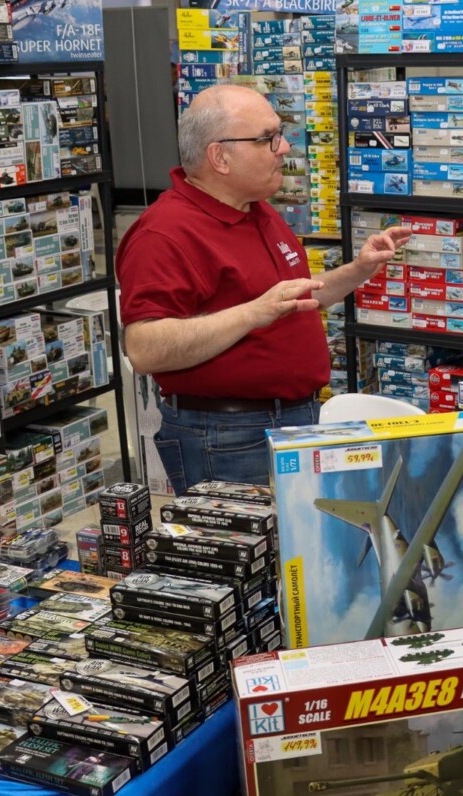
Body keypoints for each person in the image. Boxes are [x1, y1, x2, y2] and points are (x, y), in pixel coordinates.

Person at [116, 84, 411, 495]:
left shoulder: (255, 208)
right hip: (228, 437)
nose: (285, 147)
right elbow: (144, 349)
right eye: (267, 138)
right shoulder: (163, 234)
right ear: (219, 156)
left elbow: (297, 300)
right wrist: (252, 312)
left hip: (293, 419)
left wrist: (359, 269)